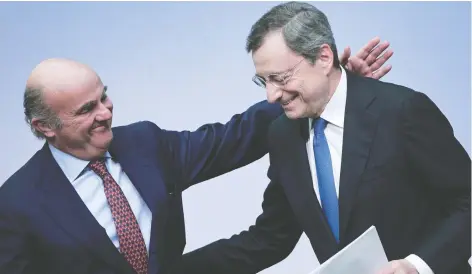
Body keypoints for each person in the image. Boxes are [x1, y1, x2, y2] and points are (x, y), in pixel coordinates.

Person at [0, 36, 393, 274]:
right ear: (44, 127)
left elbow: (233, 138)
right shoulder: (15, 204)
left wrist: (319, 88)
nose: (106, 113)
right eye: (86, 110)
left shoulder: (144, 144)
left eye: (103, 97)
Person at [177, 2, 471, 274]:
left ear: (323, 57)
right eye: (263, 81)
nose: (270, 96)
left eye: (280, 78)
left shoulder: (401, 111)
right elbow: (269, 239)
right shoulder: (282, 135)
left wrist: (416, 266)